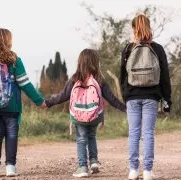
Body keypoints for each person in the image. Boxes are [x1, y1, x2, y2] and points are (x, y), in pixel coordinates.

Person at [0, 28, 45, 177]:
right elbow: (25, 84)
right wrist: (39, 101)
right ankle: (10, 167)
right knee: (11, 135)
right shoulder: (14, 60)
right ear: (8, 41)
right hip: (11, 106)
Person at [45, 49, 126, 178]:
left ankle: (82, 167)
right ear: (96, 62)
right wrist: (126, 108)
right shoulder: (99, 79)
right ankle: (93, 161)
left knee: (81, 139)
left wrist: (48, 103)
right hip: (95, 115)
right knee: (92, 136)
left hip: (79, 116)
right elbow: (111, 99)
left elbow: (63, 96)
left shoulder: (75, 79)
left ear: (80, 62)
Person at [120, 14, 172, 180]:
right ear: (149, 27)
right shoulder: (157, 49)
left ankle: (133, 170)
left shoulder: (128, 49)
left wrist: (125, 95)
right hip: (151, 96)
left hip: (132, 97)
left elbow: (122, 76)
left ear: (134, 29)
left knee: (134, 133)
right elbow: (164, 77)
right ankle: (148, 172)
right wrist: (167, 99)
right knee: (148, 133)